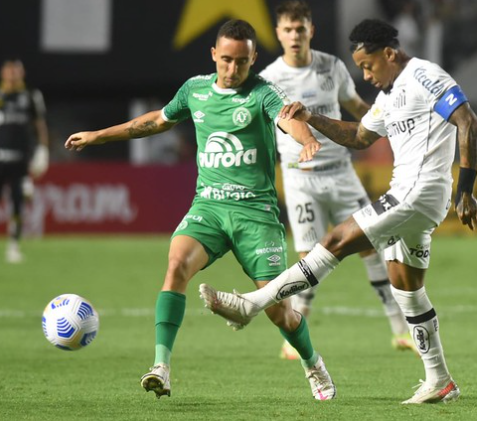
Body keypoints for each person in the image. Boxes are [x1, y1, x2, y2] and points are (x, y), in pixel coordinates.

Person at [200, 19, 477, 404]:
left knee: (334, 240)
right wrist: (311, 118)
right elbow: (358, 137)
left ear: (389, 54)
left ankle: (251, 304)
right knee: (406, 285)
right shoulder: (388, 96)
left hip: (418, 192)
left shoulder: (424, 75)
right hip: (410, 196)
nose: (366, 76)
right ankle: (440, 379)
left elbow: (469, 122)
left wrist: (466, 190)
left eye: (368, 66)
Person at [65, 20, 336, 401]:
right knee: (175, 265)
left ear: (253, 58)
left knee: (280, 314)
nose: (232, 69)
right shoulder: (194, 90)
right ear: (213, 55)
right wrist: (98, 135)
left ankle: (312, 363)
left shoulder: (263, 92)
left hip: (255, 216)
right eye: (225, 60)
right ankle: (161, 365)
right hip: (208, 208)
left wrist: (307, 140)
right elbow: (154, 121)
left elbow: (289, 119)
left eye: (241, 62)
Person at [259, 0, 415, 360]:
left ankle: (399, 330)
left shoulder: (332, 67)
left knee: (371, 245)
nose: (295, 35)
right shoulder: (269, 79)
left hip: (342, 173)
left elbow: (359, 109)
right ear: (279, 33)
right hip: (300, 178)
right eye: (287, 29)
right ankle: (294, 338)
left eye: (301, 28)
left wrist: (395, 123)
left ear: (310, 30)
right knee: (308, 255)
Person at [0, 59, 49, 263]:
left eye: (16, 72)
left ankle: (14, 245)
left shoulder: (31, 96)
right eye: (9, 72)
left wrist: (43, 150)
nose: (13, 75)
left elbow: (39, 125)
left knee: (18, 204)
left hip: (20, 159)